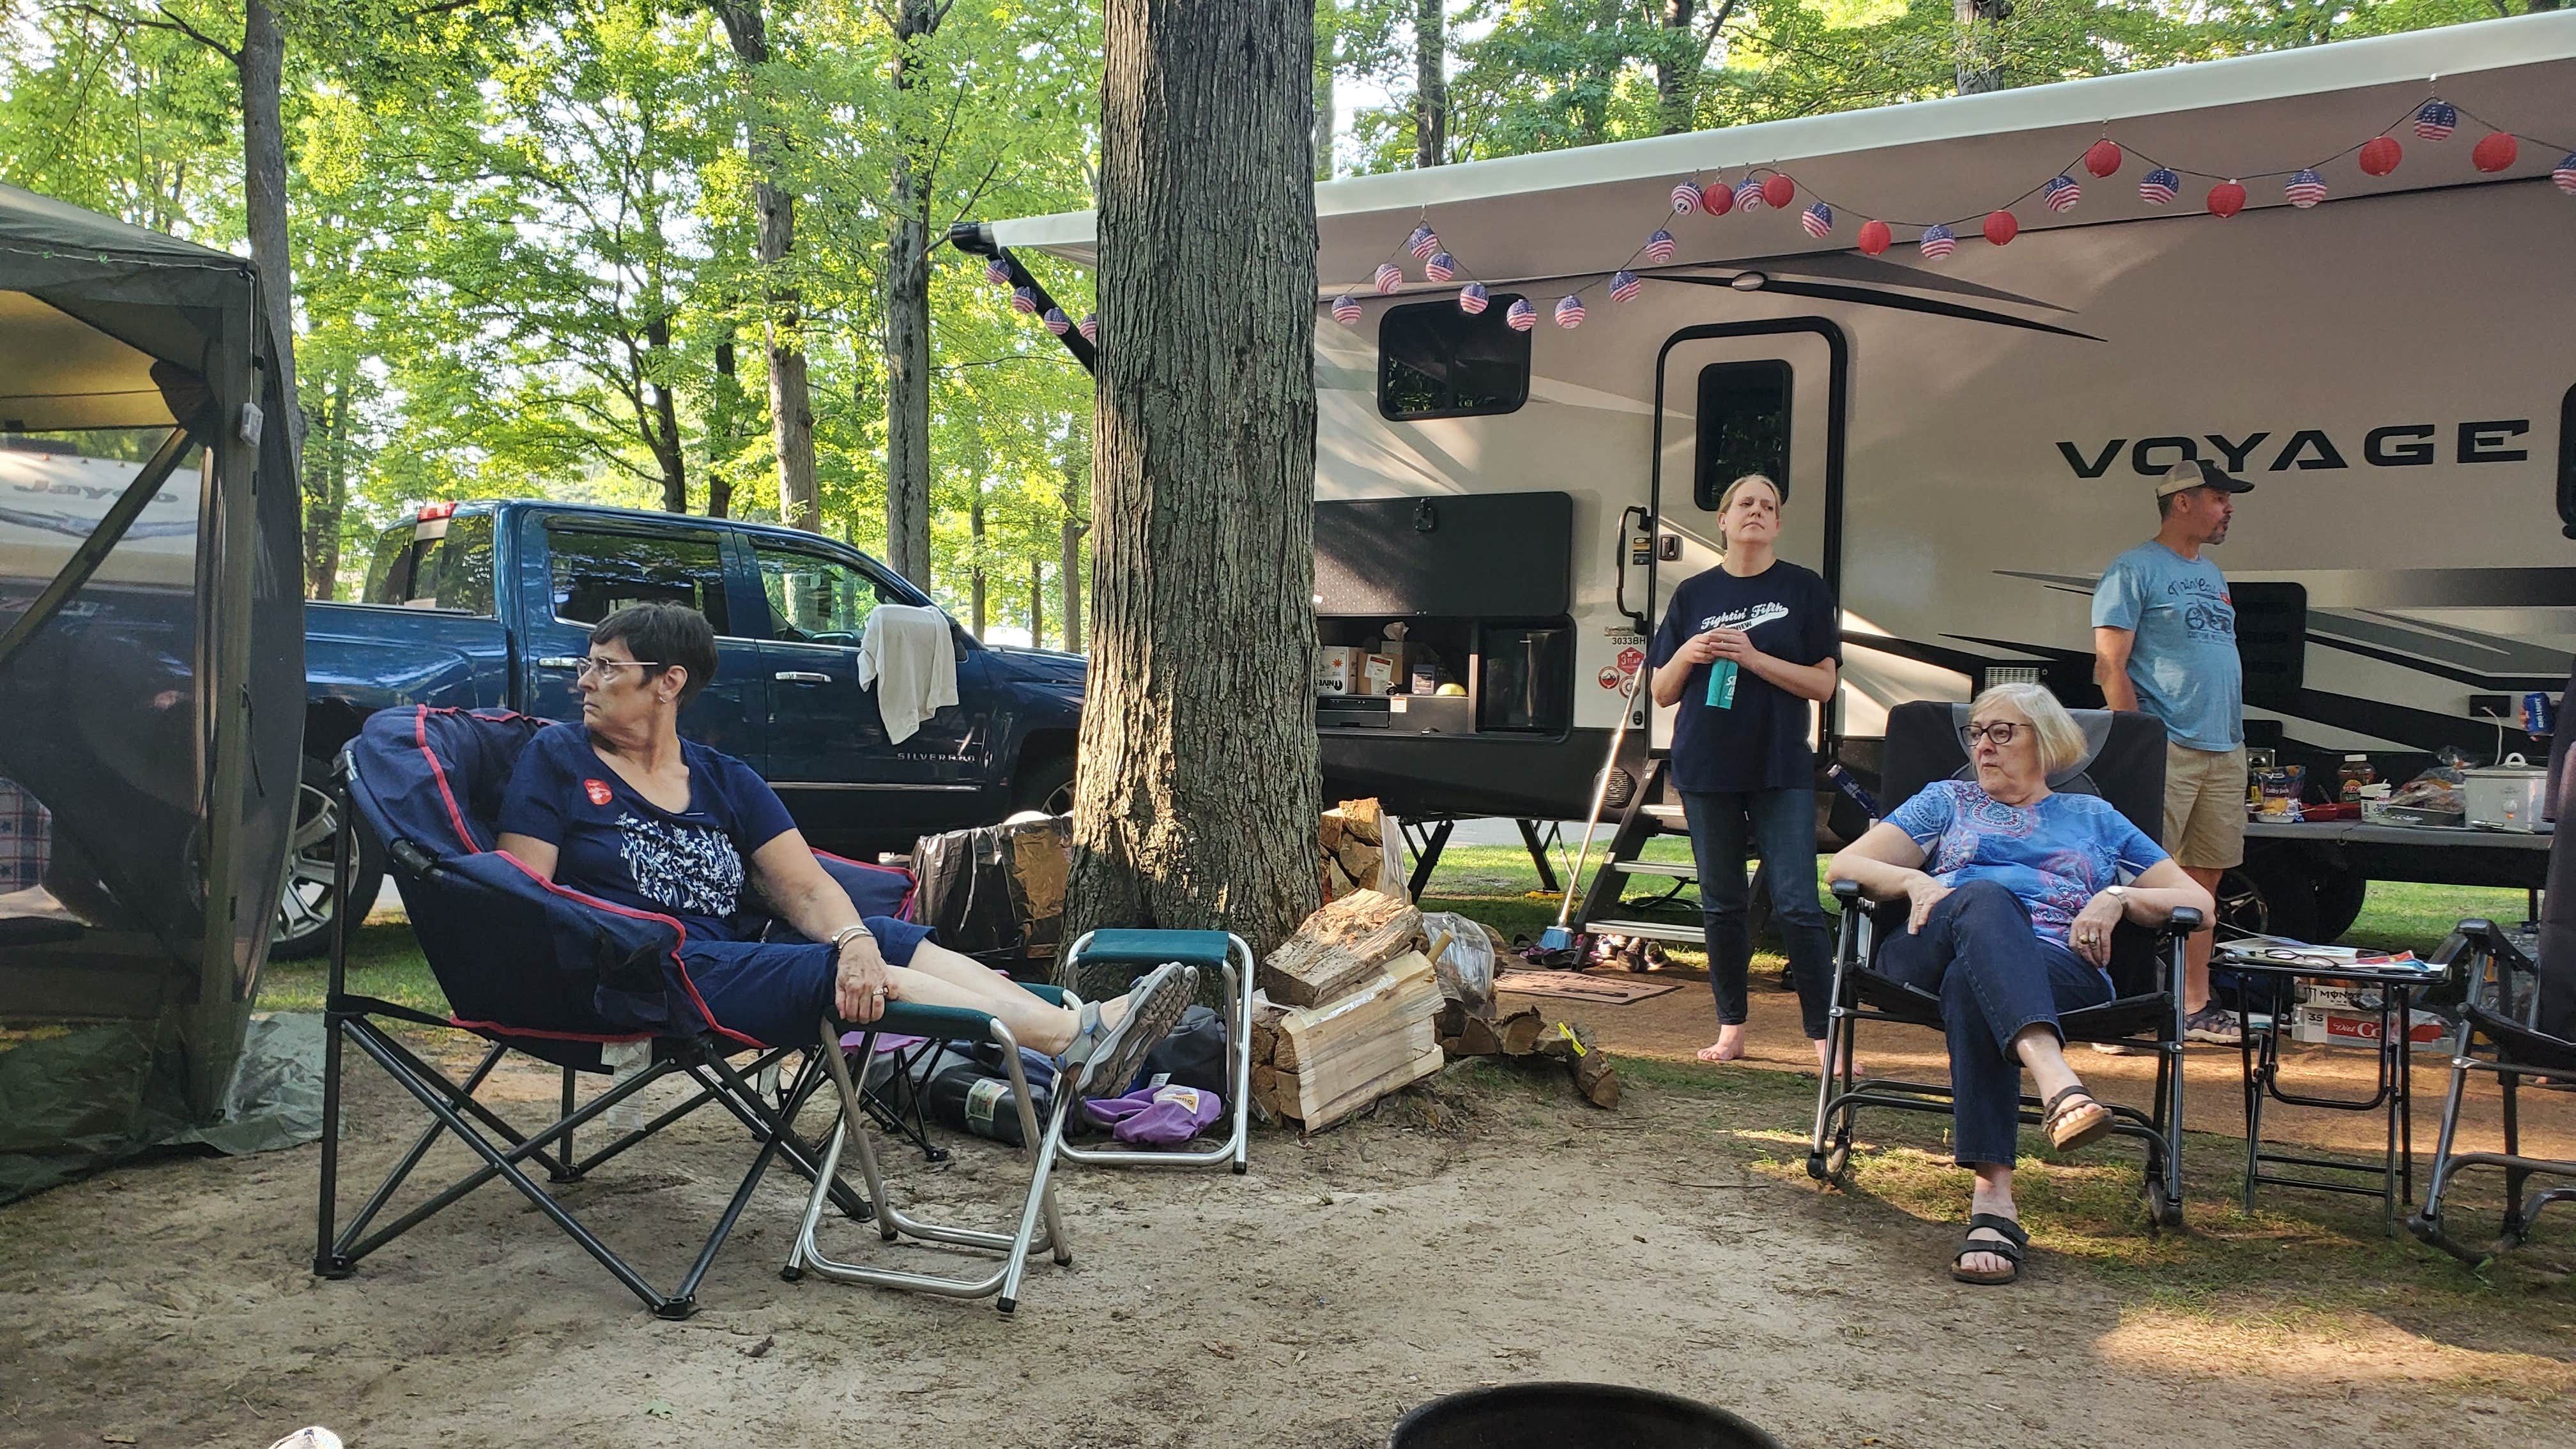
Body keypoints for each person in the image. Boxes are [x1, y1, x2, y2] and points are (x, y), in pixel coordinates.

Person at [496, 601, 1190, 1093]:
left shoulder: (722, 778)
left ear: (668, 683)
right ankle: (1072, 1040)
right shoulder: (557, 757)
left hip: (721, 959)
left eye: (606, 669)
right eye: (588, 667)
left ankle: (1080, 1024)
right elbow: (526, 891)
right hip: (637, 972)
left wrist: (854, 936)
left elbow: (805, 887)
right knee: (846, 975)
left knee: (886, 939)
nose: (583, 682)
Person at [1827, 683, 2213, 1284]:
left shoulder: (2096, 818)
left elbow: (2199, 904)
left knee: (1971, 984)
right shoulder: (1945, 801)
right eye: (1976, 733)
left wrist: (2118, 896)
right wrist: (1916, 885)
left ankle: (1994, 1204)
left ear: (2048, 741)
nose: (1983, 746)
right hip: (1932, 942)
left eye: (2002, 732)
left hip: (2055, 967)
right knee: (1983, 897)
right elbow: (1845, 865)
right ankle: (2058, 1084)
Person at [1646, 473, 1840, 1073]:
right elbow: (1660, 691)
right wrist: (1688, 652)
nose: (1757, 511)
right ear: (1724, 521)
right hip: (1706, 764)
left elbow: (1824, 683)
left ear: (1778, 524)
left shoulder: (1804, 589)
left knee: (1799, 905)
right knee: (1722, 904)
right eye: (1745, 503)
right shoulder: (1693, 594)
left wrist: (1754, 658)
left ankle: (1824, 1038)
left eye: (1769, 505)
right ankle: (1731, 1029)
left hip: (1780, 766)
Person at [2092, 457, 2255, 1045]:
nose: (2229, 508)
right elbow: (2110, 663)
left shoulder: (2212, 572)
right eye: (2219, 498)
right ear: (2181, 502)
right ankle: (2115, 1004)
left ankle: (2193, 1005)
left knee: (2202, 883)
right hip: (2166, 745)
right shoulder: (2133, 568)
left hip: (2223, 747)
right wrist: (2136, 739)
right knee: (2137, 875)